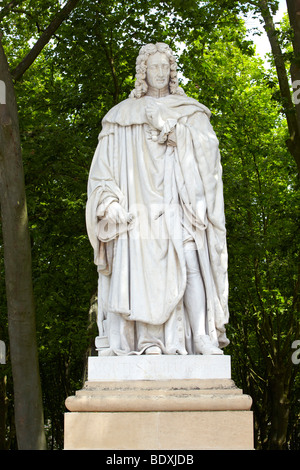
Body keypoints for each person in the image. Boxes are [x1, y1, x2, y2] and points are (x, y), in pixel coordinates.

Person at [86, 42, 229, 356]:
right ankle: (150, 342)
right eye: (154, 67)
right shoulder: (121, 116)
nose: (161, 73)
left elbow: (209, 157)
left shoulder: (190, 112)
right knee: (143, 270)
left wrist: (174, 132)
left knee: (191, 263)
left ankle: (200, 337)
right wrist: (108, 202)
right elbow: (102, 170)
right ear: (143, 72)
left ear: (173, 70)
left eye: (166, 67)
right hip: (139, 210)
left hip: (180, 203)